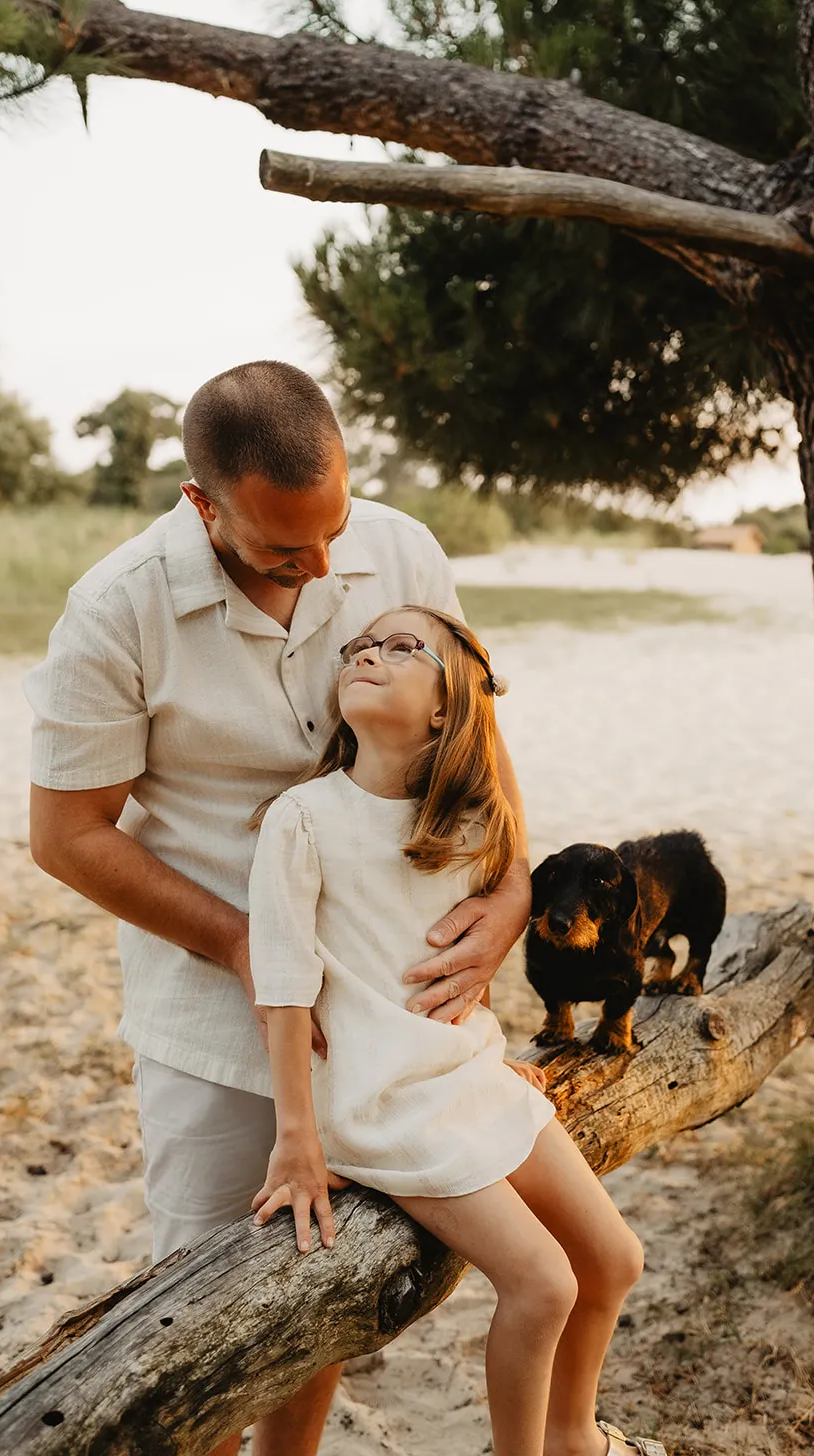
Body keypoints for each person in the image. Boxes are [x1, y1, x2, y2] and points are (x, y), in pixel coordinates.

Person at [24, 361, 535, 1456]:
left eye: (331, 531)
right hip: (214, 1017)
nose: (320, 567)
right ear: (202, 504)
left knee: (321, 1298)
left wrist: (511, 890)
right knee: (206, 1317)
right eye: (281, 550)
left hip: (395, 1015)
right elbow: (65, 833)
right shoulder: (116, 611)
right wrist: (248, 946)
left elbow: (473, 740)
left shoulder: (398, 548)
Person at [247, 604, 655, 1456]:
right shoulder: (303, 818)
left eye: (403, 648)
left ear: (446, 708)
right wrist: (297, 1140)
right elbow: (283, 987)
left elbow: (455, 973)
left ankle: (573, 1436)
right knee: (542, 1283)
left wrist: (494, 1056)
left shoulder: (468, 826)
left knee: (614, 1260)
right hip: (383, 1102)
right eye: (360, 647)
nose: (369, 654)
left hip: (467, 1075)